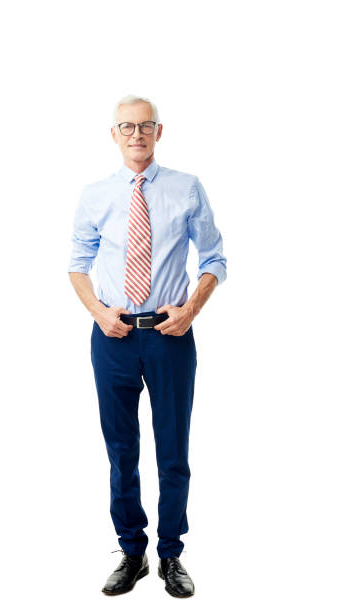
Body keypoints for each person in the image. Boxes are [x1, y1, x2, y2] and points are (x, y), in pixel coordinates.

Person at [67, 94, 227, 598]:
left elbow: (215, 259)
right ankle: (132, 551)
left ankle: (171, 554)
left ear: (160, 132)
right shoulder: (96, 195)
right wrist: (98, 312)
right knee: (121, 450)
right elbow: (77, 262)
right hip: (111, 336)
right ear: (113, 134)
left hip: (169, 335)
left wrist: (190, 310)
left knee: (172, 450)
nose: (136, 134)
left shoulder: (187, 188)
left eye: (145, 126)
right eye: (126, 127)